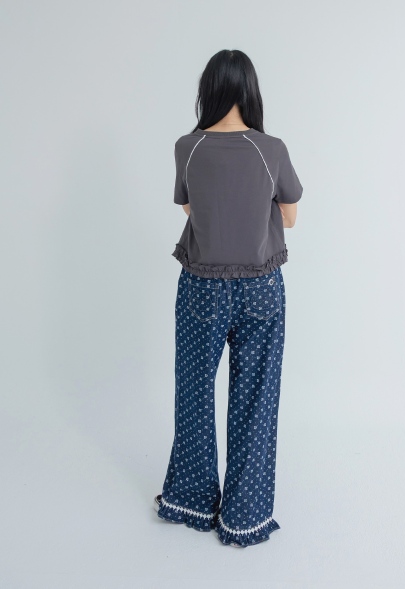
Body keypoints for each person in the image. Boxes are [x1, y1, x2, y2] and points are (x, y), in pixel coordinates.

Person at [154, 49, 304, 548]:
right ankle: (245, 516)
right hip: (262, 286)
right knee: (256, 399)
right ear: (250, 91)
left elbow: (191, 208)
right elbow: (289, 218)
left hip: (201, 284)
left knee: (194, 393)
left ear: (209, 90)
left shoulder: (188, 146)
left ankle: (192, 500)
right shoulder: (271, 148)